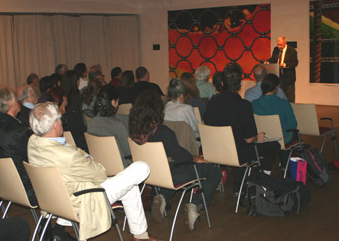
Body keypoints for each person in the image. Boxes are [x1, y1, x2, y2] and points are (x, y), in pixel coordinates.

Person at [27, 102, 166, 241]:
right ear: (55, 125)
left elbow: (72, 154)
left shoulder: (33, 143)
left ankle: (140, 236)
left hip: (55, 200)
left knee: (129, 188)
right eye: (60, 120)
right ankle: (140, 236)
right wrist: (86, 159)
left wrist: (83, 158)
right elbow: (100, 174)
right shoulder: (68, 157)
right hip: (84, 200)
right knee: (142, 167)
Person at [0, 85, 75, 241]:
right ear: (10, 104)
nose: (18, 100)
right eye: (14, 97)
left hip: (5, 185)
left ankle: (48, 226)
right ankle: (60, 230)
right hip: (27, 188)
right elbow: (40, 157)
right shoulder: (18, 131)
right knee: (66, 175)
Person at [129, 91, 221, 230]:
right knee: (213, 171)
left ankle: (162, 197)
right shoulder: (163, 132)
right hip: (168, 174)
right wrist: (195, 158)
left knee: (175, 170)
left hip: (149, 175)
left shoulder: (133, 133)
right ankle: (195, 205)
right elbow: (179, 155)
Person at [204, 63, 280, 196]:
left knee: (238, 142)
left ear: (222, 83)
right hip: (237, 154)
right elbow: (249, 138)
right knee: (273, 145)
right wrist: (258, 137)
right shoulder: (244, 106)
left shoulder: (211, 104)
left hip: (215, 152)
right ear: (240, 84)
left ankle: (239, 187)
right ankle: (261, 181)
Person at [87, 85, 132, 168]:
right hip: (120, 167)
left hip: (99, 166)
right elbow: (128, 151)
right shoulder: (118, 125)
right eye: (117, 101)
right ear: (113, 102)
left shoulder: (90, 123)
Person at [252, 73, 297, 145]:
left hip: (262, 139)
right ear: (277, 87)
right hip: (282, 139)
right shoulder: (283, 104)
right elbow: (292, 125)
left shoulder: (254, 104)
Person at [61, 69, 88, 152]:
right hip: (80, 138)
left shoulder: (60, 98)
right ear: (77, 82)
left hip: (65, 140)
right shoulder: (79, 98)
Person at [267, 36, 298, 102]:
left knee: (290, 96)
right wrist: (268, 61)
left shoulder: (292, 50)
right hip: (279, 76)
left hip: (288, 77)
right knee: (280, 95)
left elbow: (295, 63)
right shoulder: (276, 49)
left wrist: (284, 64)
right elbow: (273, 59)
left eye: (280, 45)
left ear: (285, 44)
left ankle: (291, 108)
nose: (279, 46)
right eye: (278, 44)